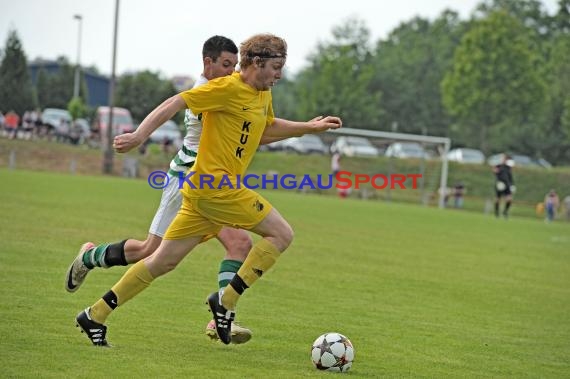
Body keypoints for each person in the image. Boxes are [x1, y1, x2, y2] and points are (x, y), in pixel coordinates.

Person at [74, 33, 342, 347]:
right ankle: (225, 302)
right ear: (256, 63)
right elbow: (176, 101)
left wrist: (308, 128)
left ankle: (95, 314)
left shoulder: (262, 94)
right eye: (275, 67)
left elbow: (264, 131)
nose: (279, 75)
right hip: (219, 189)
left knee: (161, 261)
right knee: (282, 234)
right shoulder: (226, 88)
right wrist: (137, 136)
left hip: (200, 194)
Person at [66, 36, 258, 343]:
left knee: (239, 244)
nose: (231, 71)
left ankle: (221, 318)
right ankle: (90, 258)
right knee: (149, 251)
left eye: (234, 65)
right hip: (186, 180)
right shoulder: (202, 92)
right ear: (207, 62)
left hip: (213, 185)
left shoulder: (226, 85)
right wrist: (139, 136)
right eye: (225, 65)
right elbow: (171, 104)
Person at [493, 153, 515, 219]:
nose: (504, 160)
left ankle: (505, 212)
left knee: (509, 199)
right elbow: (495, 172)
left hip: (507, 185)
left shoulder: (508, 167)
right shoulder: (498, 166)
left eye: (505, 158)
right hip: (500, 184)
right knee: (497, 199)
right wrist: (496, 170)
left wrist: (512, 185)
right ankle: (497, 213)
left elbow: (510, 176)